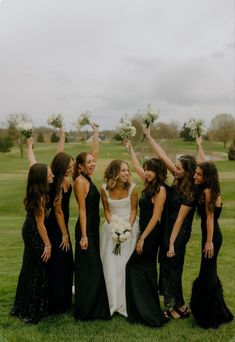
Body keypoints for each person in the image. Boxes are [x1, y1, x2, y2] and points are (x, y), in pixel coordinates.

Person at [143, 126, 196, 319]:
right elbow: (162, 154)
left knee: (174, 268)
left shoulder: (190, 191)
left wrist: (173, 242)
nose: (175, 168)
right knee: (166, 267)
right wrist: (149, 137)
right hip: (168, 229)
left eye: (179, 167)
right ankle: (175, 305)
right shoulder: (177, 179)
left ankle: (180, 307)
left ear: (187, 172)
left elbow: (181, 219)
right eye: (175, 166)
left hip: (178, 233)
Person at [27, 128, 74, 314]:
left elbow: (57, 155)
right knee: (61, 262)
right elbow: (59, 212)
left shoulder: (60, 178)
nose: (72, 169)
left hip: (59, 225)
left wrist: (62, 136)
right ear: (62, 168)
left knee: (62, 263)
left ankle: (60, 299)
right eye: (69, 167)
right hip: (55, 227)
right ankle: (58, 302)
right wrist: (65, 234)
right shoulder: (55, 182)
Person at [189, 138, 233, 328]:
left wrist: (208, 242)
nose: (195, 176)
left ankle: (210, 314)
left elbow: (209, 219)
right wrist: (199, 145)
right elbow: (205, 162)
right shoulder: (212, 186)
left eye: (198, 174)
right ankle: (214, 310)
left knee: (207, 275)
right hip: (212, 236)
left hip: (212, 237)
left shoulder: (207, 192)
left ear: (206, 177)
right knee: (209, 273)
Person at [125, 141, 168, 327]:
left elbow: (156, 216)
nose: (146, 172)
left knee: (134, 267)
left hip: (151, 234)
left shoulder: (161, 190)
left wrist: (142, 238)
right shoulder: (148, 184)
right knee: (145, 270)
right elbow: (135, 164)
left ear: (158, 172)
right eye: (146, 169)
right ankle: (142, 309)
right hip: (145, 233)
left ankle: (147, 311)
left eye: (150, 170)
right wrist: (130, 148)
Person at [73, 124, 110, 320]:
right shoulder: (80, 181)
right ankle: (87, 309)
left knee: (93, 267)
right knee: (89, 268)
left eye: (93, 161)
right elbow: (82, 210)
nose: (93, 163)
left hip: (93, 229)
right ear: (80, 165)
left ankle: (94, 305)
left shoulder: (87, 176)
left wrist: (96, 132)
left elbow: (94, 153)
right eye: (89, 162)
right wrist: (84, 236)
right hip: (86, 231)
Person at [11, 163, 54, 324]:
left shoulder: (37, 191)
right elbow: (40, 224)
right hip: (33, 232)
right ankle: (32, 308)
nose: (52, 176)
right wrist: (48, 245)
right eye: (50, 174)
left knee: (29, 267)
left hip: (29, 229)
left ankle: (24, 305)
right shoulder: (40, 196)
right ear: (42, 177)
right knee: (38, 267)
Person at [100, 159, 139, 317]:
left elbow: (134, 210)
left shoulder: (133, 189)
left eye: (127, 170)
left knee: (124, 266)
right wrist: (113, 227)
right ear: (114, 172)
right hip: (110, 231)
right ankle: (112, 302)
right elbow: (107, 211)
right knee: (110, 266)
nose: (126, 173)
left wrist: (127, 229)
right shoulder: (104, 189)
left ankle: (125, 302)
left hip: (130, 228)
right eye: (123, 170)